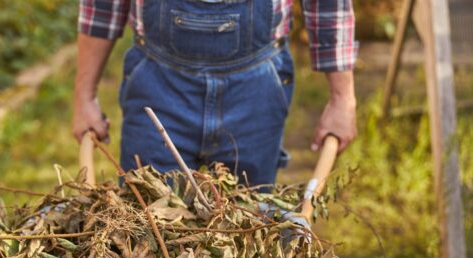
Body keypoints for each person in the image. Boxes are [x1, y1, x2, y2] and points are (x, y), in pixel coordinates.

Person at [72, 0, 358, 187]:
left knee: (248, 238)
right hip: (158, 87)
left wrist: (342, 98)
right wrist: (84, 95)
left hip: (254, 89)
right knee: (146, 233)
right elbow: (103, 6)